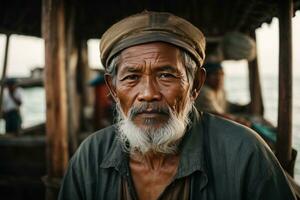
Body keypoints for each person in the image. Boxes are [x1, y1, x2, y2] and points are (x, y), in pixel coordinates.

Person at [58, 11, 296, 200]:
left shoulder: (244, 153)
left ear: (195, 85)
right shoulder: (90, 157)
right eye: (131, 77)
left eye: (166, 76)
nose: (148, 94)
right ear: (112, 88)